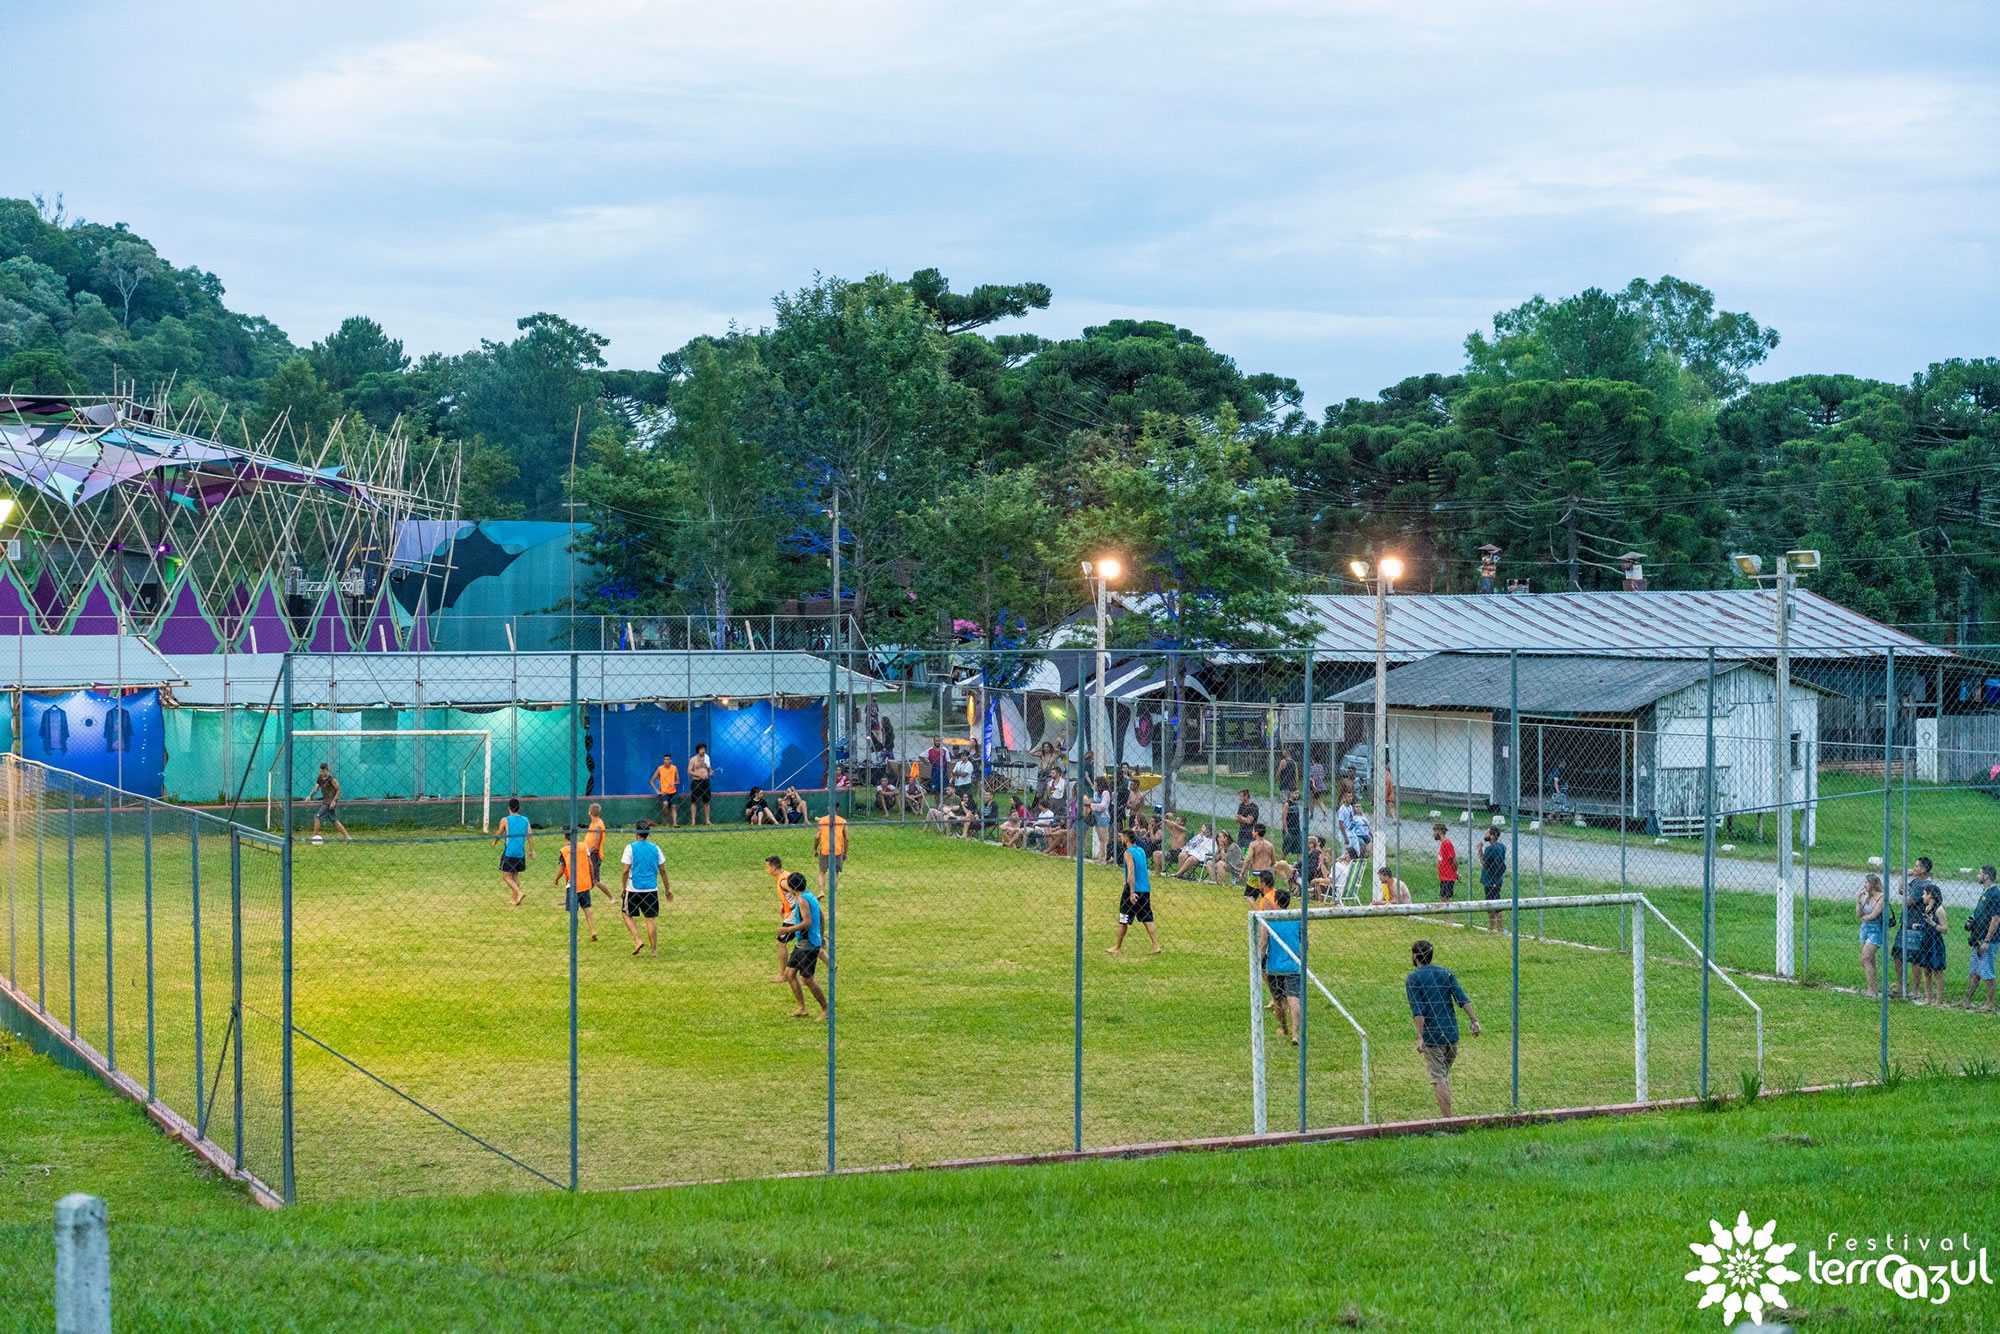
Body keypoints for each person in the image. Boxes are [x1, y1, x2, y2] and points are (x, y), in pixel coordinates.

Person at [1406, 938, 1482, 1116]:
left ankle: (1447, 1121)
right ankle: (1448, 1116)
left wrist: (1420, 1037)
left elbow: (1419, 1011)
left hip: (1433, 1036)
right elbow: (1462, 998)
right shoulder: (1445, 973)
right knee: (1443, 1075)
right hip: (1451, 1033)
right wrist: (1474, 1020)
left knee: (1439, 1078)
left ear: (1415, 956)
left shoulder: (1413, 978)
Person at [620, 820, 673, 955]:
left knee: (626, 913)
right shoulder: (655, 848)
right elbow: (662, 870)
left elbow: (625, 870)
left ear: (637, 832)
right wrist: (667, 889)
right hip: (651, 888)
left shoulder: (630, 848)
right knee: (650, 918)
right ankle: (654, 951)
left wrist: (623, 887)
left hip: (634, 888)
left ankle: (638, 940)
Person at [779, 871, 827, 1019]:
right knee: (789, 974)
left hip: (808, 944)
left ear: (792, 888)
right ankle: (802, 1008)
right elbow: (821, 916)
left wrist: (787, 929)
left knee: (807, 978)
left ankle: (826, 1009)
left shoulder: (802, 901)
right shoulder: (810, 895)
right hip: (803, 943)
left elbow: (807, 922)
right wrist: (822, 935)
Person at [1109, 825, 1161, 954]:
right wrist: (1127, 880)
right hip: (1145, 889)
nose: (1120, 840)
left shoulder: (1128, 853)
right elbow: (1140, 869)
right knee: (1147, 918)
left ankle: (1117, 947)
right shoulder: (1141, 851)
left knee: (1123, 919)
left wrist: (1131, 891)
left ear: (1126, 839)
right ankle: (1156, 946)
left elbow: (1131, 871)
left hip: (1133, 891)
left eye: (1121, 837)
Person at [1260, 888, 1303, 1044]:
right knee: (1294, 1000)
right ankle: (1295, 1034)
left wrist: (1260, 961)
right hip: (1293, 965)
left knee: (1279, 1002)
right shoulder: (1296, 918)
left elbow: (1264, 944)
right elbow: (1304, 943)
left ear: (1276, 901)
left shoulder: (1269, 919)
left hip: (1274, 967)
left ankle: (1284, 1029)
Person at [1893, 858, 1937, 999]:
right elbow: (1901, 890)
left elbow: (1908, 901)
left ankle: (1915, 990)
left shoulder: (1925, 886)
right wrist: (1904, 876)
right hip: (1905, 923)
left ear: (1924, 869)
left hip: (1915, 925)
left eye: (1917, 866)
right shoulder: (1916, 882)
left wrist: (1906, 890)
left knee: (1914, 958)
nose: (1914, 868)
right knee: (1897, 955)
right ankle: (1900, 985)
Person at [1964, 866, 2000, 1012]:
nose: (1977, 875)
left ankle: (1990, 1004)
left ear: (1986, 876)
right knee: (1975, 971)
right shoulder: (1985, 893)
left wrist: (1986, 941)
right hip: (1978, 938)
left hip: (1987, 941)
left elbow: (1996, 919)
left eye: (1980, 873)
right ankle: (1966, 999)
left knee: (1987, 972)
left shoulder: (1995, 894)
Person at [554, 831, 598, 942]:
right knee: (587, 909)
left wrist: (556, 879)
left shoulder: (564, 851)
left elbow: (561, 870)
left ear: (565, 837)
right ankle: (593, 931)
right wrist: (592, 878)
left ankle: (574, 935)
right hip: (584, 883)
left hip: (572, 885)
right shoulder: (583, 846)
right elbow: (590, 864)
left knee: (574, 912)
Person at [765, 854, 799, 982]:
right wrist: (783, 904)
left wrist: (795, 909)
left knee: (780, 943)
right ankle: (831, 965)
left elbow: (798, 893)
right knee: (809, 941)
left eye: (767, 867)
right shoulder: (785, 875)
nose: (766, 870)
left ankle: (783, 975)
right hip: (795, 912)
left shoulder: (783, 881)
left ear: (773, 867)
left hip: (794, 914)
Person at [496, 797, 533, 907]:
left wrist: (495, 841)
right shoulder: (525, 820)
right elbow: (530, 836)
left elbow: (499, 833)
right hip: (520, 852)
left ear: (509, 808)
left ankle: (519, 892)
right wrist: (532, 850)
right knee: (515, 875)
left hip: (510, 852)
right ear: (519, 808)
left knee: (506, 876)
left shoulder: (505, 820)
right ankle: (515, 899)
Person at [1914, 882, 1947, 1006]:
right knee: (1926, 971)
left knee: (1937, 971)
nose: (1922, 896)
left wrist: (1932, 923)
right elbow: (1928, 924)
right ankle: (1928, 999)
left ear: (1931, 895)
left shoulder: (1939, 910)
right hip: (1926, 941)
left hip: (1935, 943)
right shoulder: (1927, 908)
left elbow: (1945, 929)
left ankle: (1939, 1000)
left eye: (1924, 894)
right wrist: (1921, 926)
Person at [1857, 871, 1886, 997]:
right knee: (1869, 960)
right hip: (1864, 929)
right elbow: (1859, 914)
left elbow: (1874, 915)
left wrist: (1865, 917)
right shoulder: (1866, 896)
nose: (1864, 885)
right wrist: (1858, 900)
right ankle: (1873, 989)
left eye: (1866, 883)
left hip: (1876, 930)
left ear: (1873, 884)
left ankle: (1872, 991)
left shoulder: (1882, 897)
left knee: (1865, 959)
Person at [309, 763, 352, 843]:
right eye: (321, 771)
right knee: (334, 820)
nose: (322, 773)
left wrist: (334, 801)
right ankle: (348, 837)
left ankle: (314, 839)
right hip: (325, 801)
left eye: (324, 771)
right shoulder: (320, 778)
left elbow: (338, 790)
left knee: (317, 817)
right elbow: (315, 789)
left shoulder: (331, 779)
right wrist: (309, 796)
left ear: (327, 770)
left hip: (329, 803)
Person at [1480, 825, 1507, 932]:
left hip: (1490, 880)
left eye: (1487, 833)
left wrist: (1479, 851)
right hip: (1498, 879)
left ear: (1492, 836)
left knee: (1493, 905)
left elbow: (1484, 863)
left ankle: (1494, 928)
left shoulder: (1489, 849)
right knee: (1495, 903)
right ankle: (1495, 927)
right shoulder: (1502, 846)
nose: (1485, 834)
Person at [816, 807, 848, 892]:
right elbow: (846, 838)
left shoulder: (822, 820)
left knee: (822, 872)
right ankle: (832, 893)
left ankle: (821, 891)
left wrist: (815, 849)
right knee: (835, 873)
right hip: (837, 850)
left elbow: (817, 837)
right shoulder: (842, 821)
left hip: (825, 849)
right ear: (838, 809)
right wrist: (845, 853)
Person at [688, 743, 715, 826]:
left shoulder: (707, 758)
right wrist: (699, 775)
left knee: (706, 801)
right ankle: (693, 821)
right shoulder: (693, 760)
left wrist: (711, 772)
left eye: (704, 749)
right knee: (694, 802)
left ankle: (707, 820)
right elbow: (689, 772)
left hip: (705, 782)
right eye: (701, 749)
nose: (703, 751)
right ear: (698, 750)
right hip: (696, 782)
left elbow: (709, 768)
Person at [584, 802, 608, 897]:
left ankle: (611, 898)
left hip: (594, 854)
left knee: (596, 880)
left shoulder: (598, 825)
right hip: (591, 853)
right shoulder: (594, 823)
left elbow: (595, 845)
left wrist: (586, 852)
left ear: (590, 812)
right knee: (585, 877)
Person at [651, 752, 681, 827]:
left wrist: (674, 783)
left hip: (673, 791)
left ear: (670, 760)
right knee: (665, 804)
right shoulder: (660, 769)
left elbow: (678, 781)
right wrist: (657, 791)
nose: (665, 761)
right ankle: (666, 821)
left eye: (667, 759)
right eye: (664, 759)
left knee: (674, 806)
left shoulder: (674, 768)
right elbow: (651, 781)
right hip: (664, 792)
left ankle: (674, 823)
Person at [1433, 822, 1457, 901]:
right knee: (1443, 898)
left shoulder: (1447, 843)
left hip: (1448, 877)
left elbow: (1454, 860)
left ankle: (1449, 913)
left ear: (1439, 831)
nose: (1433, 834)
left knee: (1446, 899)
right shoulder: (1443, 843)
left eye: (1434, 831)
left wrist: (1455, 873)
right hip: (1444, 877)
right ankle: (1448, 914)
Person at [1092, 777, 1113, 862]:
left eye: (1096, 784)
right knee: (1101, 839)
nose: (1095, 785)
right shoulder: (1097, 793)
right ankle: (1101, 857)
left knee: (1104, 839)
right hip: (1097, 816)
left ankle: (1104, 857)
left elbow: (1103, 806)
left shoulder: (1106, 793)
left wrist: (1092, 806)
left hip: (1103, 817)